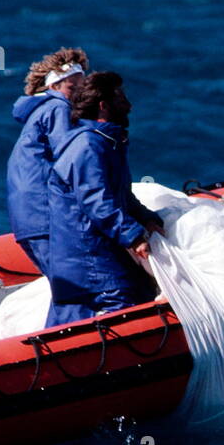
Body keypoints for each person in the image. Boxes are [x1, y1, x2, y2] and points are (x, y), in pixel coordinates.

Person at [44, 71, 163, 327]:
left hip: (93, 247)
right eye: (121, 98)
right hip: (86, 251)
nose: (129, 105)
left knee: (141, 289)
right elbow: (96, 201)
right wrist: (132, 236)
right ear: (104, 106)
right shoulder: (88, 145)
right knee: (127, 298)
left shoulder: (107, 142)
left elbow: (121, 196)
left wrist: (146, 218)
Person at [5, 47, 89, 277]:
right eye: (73, 87)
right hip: (44, 214)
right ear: (54, 86)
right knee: (73, 282)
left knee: (63, 282)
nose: (80, 93)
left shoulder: (38, 113)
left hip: (27, 216)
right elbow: (69, 157)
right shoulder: (58, 107)